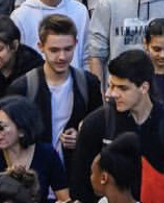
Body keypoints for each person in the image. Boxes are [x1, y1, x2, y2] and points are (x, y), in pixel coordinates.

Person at [71, 50, 164, 203]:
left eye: (122, 88)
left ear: (144, 87)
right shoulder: (97, 123)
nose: (112, 94)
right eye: (111, 86)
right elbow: (80, 183)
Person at [6, 13, 102, 166]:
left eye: (68, 49)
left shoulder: (88, 84)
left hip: (75, 175)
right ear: (40, 47)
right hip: (36, 177)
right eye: (54, 50)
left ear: (76, 44)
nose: (62, 57)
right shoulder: (23, 87)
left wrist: (81, 137)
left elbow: (99, 129)